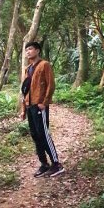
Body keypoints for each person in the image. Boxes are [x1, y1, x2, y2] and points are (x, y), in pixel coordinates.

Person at [20, 41, 64, 178]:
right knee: (35, 135)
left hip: (39, 106)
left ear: (38, 51)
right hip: (30, 106)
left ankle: (56, 164)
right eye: (26, 50)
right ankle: (44, 164)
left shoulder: (44, 65)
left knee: (43, 134)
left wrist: (44, 102)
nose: (28, 52)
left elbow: (51, 85)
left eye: (31, 49)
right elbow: (24, 90)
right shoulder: (28, 69)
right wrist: (23, 109)